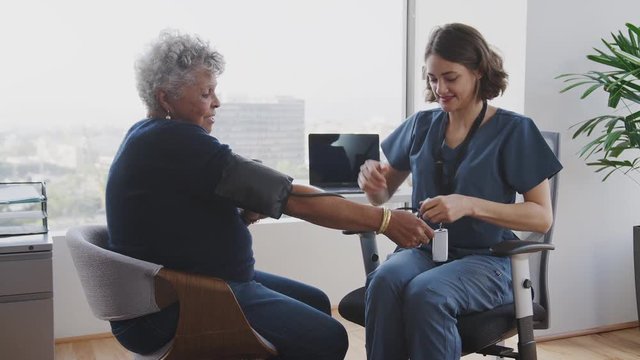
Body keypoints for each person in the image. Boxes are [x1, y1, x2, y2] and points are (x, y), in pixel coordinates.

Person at [104, 29, 430, 360]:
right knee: (328, 338)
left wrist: (241, 216)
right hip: (177, 305)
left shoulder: (149, 137)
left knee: (316, 301)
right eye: (205, 93)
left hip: (184, 289)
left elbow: (178, 223)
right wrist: (384, 219)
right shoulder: (175, 141)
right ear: (165, 98)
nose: (216, 102)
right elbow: (293, 199)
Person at [358, 23, 563, 360]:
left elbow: (541, 217)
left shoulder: (514, 130)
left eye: (450, 78)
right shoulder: (420, 126)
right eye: (432, 78)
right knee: (383, 282)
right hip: (423, 250)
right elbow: (381, 197)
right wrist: (372, 184)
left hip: (490, 260)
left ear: (478, 71)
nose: (440, 88)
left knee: (428, 292)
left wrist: (469, 204)